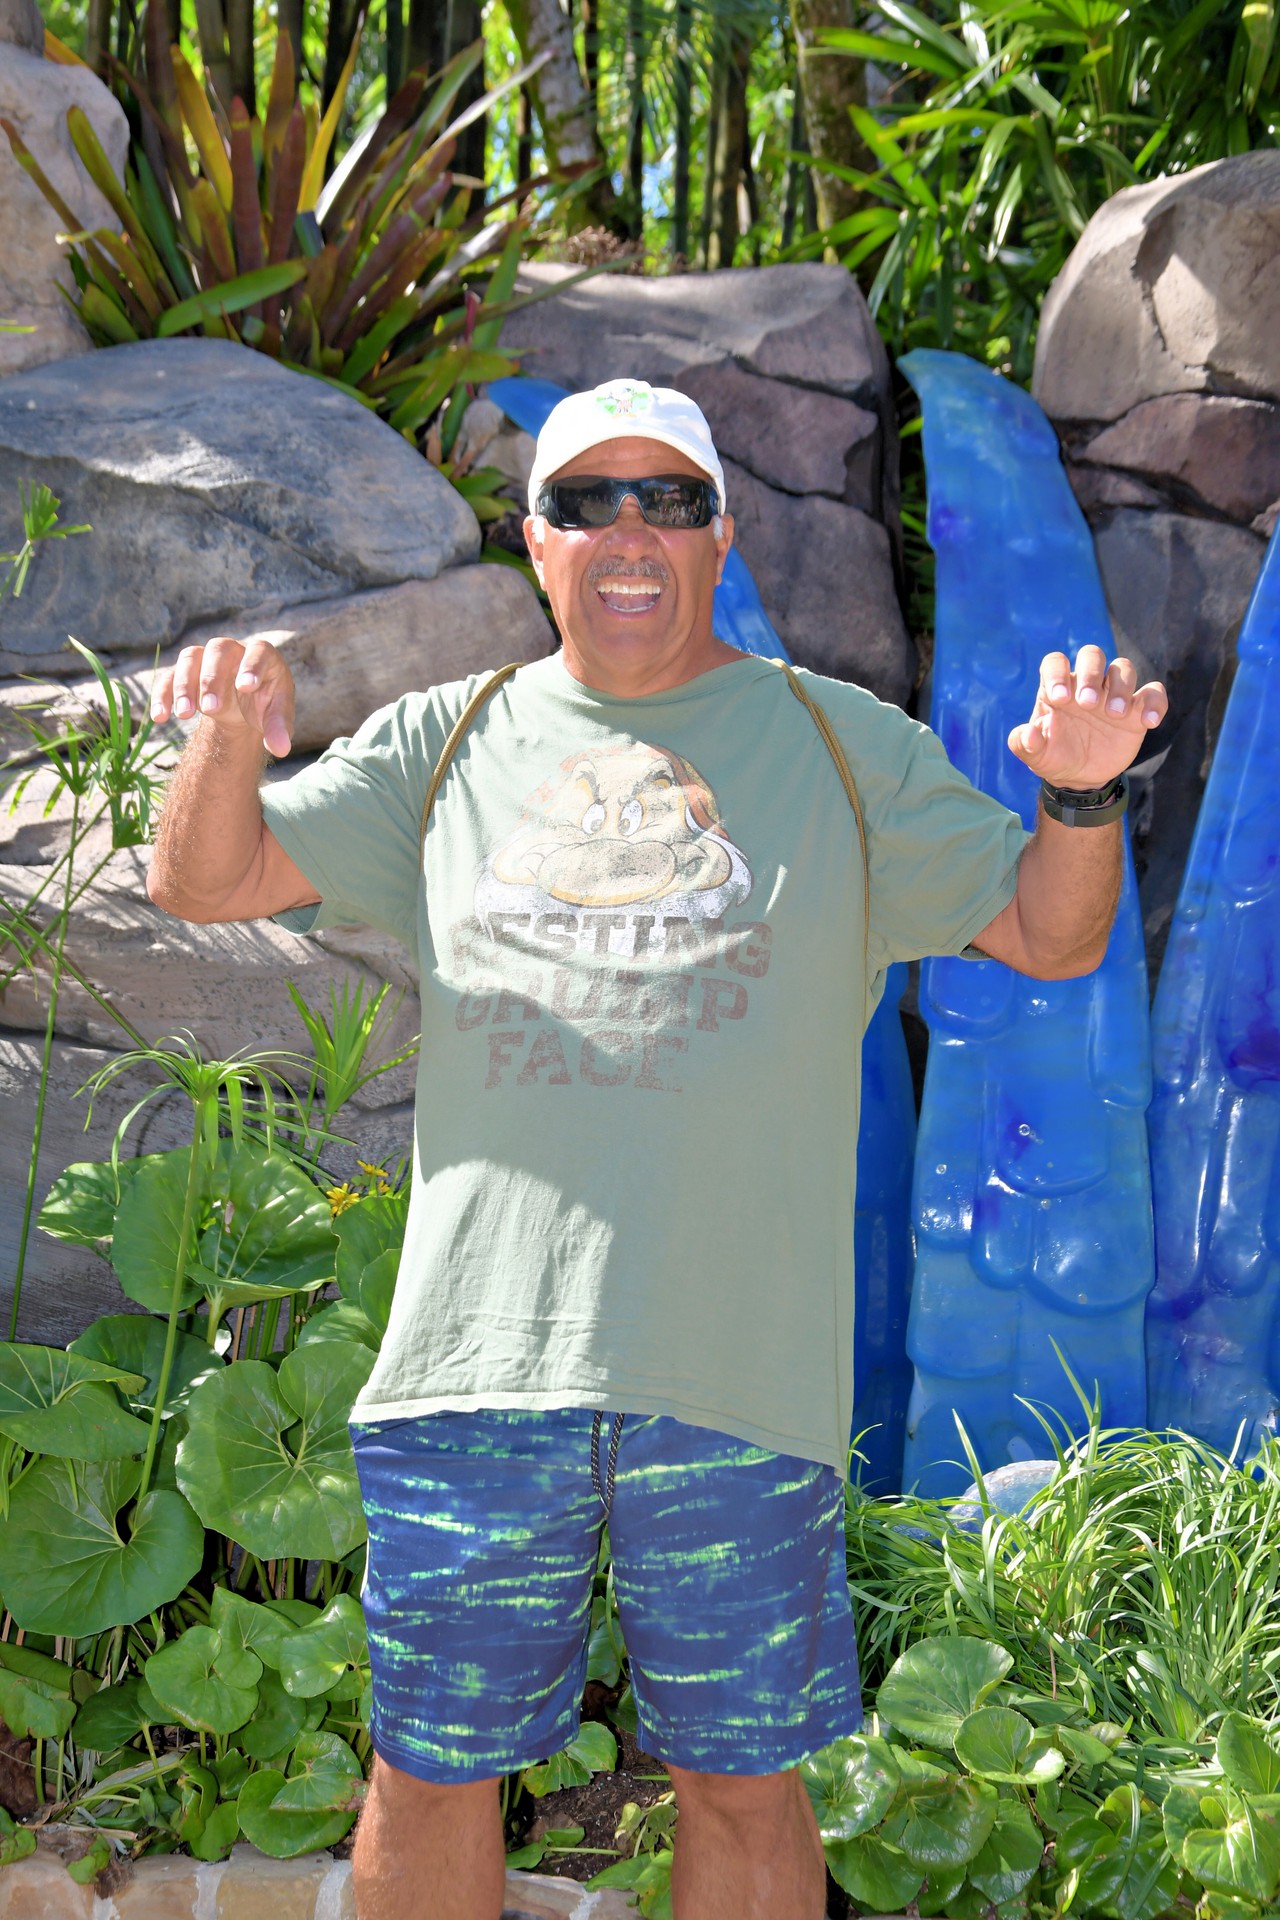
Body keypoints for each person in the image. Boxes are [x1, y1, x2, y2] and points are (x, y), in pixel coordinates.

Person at [147, 378, 1168, 1920]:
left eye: (669, 499)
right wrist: (224, 740)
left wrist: (1080, 793)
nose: (629, 530)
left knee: (744, 1786)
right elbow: (208, 881)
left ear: (720, 535)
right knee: (426, 1769)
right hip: (478, 1366)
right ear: (537, 543)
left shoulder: (836, 747)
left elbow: (1050, 930)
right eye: (587, 501)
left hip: (735, 1376)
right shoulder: (449, 741)